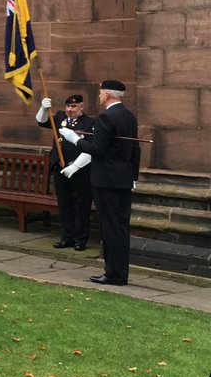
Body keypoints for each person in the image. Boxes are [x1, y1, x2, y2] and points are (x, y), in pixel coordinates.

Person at [61, 79, 141, 286]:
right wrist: (133, 177)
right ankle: (119, 273)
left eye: (100, 93)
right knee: (120, 227)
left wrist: (74, 139)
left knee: (110, 227)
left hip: (106, 180)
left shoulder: (107, 117)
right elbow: (135, 150)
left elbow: (97, 150)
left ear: (107, 94)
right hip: (123, 179)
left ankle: (113, 274)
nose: (99, 96)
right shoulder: (129, 116)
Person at [37, 93, 95, 251]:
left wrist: (75, 166)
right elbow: (41, 121)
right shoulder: (60, 118)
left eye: (74, 106)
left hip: (80, 171)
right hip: (60, 169)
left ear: (81, 107)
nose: (70, 109)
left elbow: (91, 149)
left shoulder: (90, 123)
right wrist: (43, 108)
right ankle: (67, 237)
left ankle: (80, 239)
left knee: (81, 206)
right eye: (68, 106)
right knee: (64, 205)